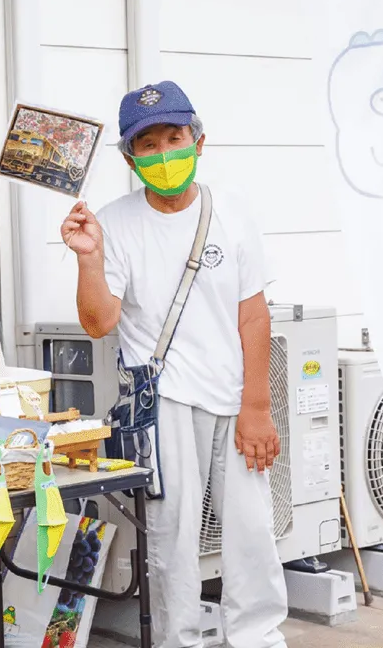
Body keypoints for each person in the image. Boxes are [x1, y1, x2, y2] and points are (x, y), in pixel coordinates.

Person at [61, 81, 287, 648]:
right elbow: (98, 322)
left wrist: (257, 406)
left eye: (175, 137)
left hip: (236, 399)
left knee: (252, 534)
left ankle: (259, 638)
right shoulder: (113, 223)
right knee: (171, 540)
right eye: (149, 144)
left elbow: (254, 318)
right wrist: (89, 259)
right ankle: (177, 641)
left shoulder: (232, 212)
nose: (165, 154)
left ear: (199, 141)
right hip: (160, 404)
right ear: (130, 158)